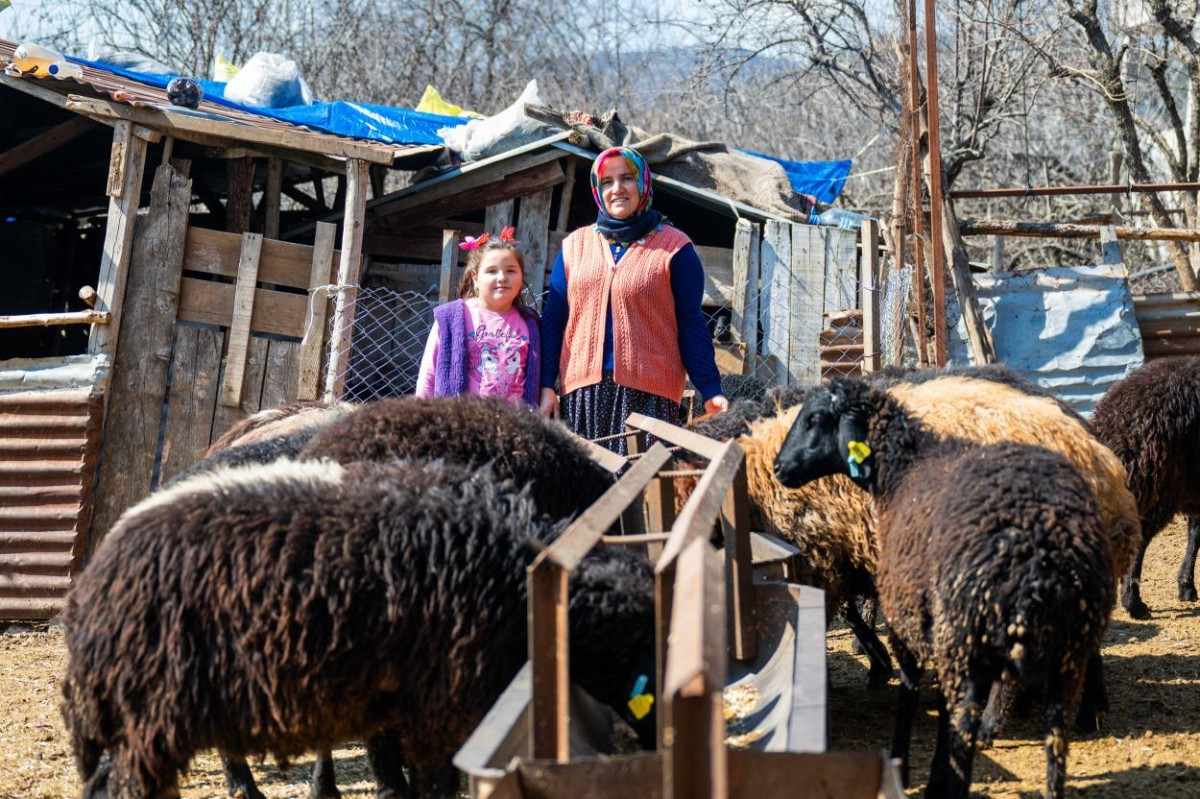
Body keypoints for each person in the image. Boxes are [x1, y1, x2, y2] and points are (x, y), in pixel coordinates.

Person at [539, 146, 728, 453]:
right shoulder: (575, 247)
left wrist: (710, 389)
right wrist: (546, 384)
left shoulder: (675, 249)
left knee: (643, 493)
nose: (618, 189)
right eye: (607, 182)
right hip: (582, 397)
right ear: (597, 190)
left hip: (649, 398)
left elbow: (692, 324)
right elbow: (554, 320)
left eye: (627, 178)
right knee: (588, 493)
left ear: (643, 184)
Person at [415, 227, 541, 405]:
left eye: (511, 271)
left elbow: (536, 379)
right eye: (492, 271)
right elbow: (429, 374)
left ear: (522, 278)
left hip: (513, 425)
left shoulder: (530, 324)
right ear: (475, 278)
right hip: (463, 422)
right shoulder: (452, 318)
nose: (502, 277)